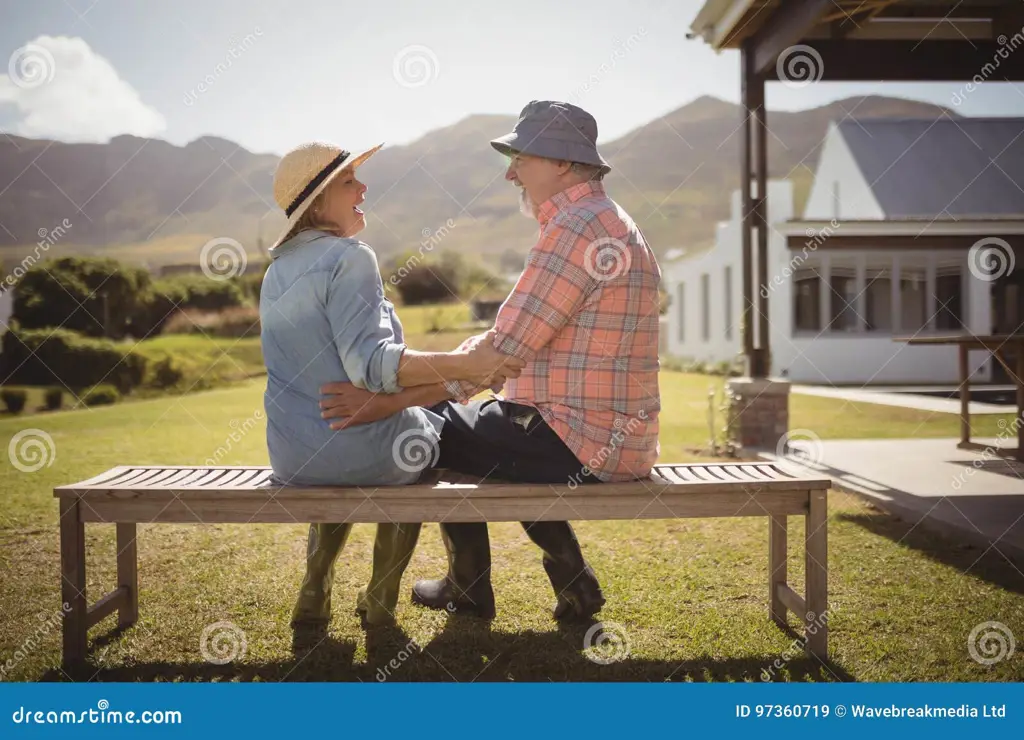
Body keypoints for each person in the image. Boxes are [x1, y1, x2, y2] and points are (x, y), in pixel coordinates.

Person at [320, 100, 662, 623]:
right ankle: (558, 577)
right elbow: (509, 340)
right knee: (485, 428)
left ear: (562, 164)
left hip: (580, 440)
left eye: (520, 159)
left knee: (426, 428)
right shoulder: (607, 222)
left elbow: (501, 353)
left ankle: (470, 583)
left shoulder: (576, 228)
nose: (509, 173)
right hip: (614, 440)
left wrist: (385, 404)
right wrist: (453, 373)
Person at [260, 141, 524, 632]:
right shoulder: (350, 257)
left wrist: (454, 376)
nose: (363, 187)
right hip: (365, 452)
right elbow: (374, 367)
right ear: (317, 203)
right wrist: (468, 365)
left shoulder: (277, 272)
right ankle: (380, 597)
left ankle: (315, 588)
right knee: (423, 443)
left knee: (355, 444)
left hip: (293, 458)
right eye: (347, 181)